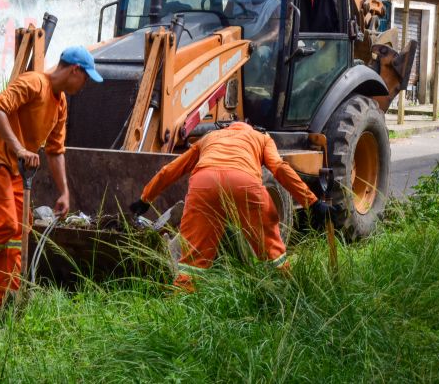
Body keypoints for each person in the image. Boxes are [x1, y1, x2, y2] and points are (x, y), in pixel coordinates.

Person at [0, 46, 103, 314]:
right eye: (86, 77)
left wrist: (64, 192)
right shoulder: (34, 83)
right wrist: (19, 148)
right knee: (4, 223)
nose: (86, 84)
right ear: (75, 70)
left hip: (13, 167)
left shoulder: (60, 103)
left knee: (20, 228)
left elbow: (55, 150)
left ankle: (7, 298)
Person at [130, 121, 338, 291]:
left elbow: (171, 170)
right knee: (272, 249)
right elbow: (280, 169)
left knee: (192, 259)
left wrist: (145, 199)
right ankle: (286, 293)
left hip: (204, 184)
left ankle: (180, 304)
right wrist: (312, 202)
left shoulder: (210, 137)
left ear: (227, 128)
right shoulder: (262, 138)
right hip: (244, 183)